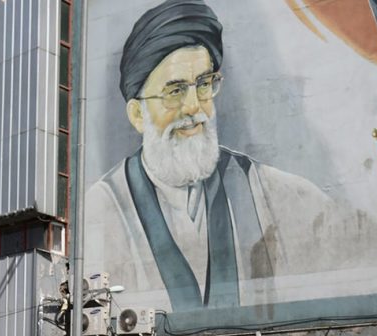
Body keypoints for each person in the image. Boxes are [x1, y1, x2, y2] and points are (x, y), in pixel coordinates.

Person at [85, 0, 341, 313]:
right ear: (138, 115)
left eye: (204, 84)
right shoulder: (99, 212)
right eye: (175, 90)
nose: (195, 107)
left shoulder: (282, 196)